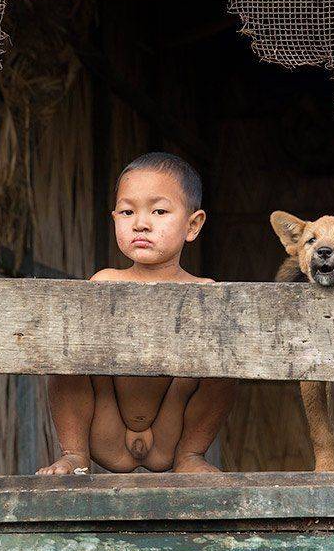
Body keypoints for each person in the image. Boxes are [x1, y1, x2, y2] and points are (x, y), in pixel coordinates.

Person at [37, 152, 236, 475]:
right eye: (127, 212)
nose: (141, 223)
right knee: (69, 356)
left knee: (224, 366)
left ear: (193, 225)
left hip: (171, 428)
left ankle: (191, 455)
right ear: (114, 217)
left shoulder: (204, 291)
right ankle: (75, 454)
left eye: (159, 211)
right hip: (109, 425)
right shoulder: (103, 282)